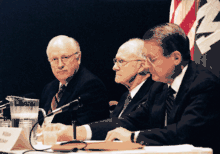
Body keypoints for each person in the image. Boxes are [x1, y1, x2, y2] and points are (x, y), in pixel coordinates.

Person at [41, 24, 220, 153]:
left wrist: (134, 137)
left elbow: (183, 132)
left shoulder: (204, 84)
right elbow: (128, 121)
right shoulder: (160, 87)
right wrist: (78, 132)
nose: (147, 67)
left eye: (152, 59)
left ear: (175, 57)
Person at [39, 35, 109, 126]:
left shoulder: (91, 86)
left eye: (65, 57)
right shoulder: (49, 88)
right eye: (54, 59)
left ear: (78, 58)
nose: (60, 65)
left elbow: (83, 129)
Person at [110, 38, 154, 118]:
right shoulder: (126, 96)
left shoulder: (152, 97)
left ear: (142, 66)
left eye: (121, 61)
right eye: (115, 61)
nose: (114, 67)